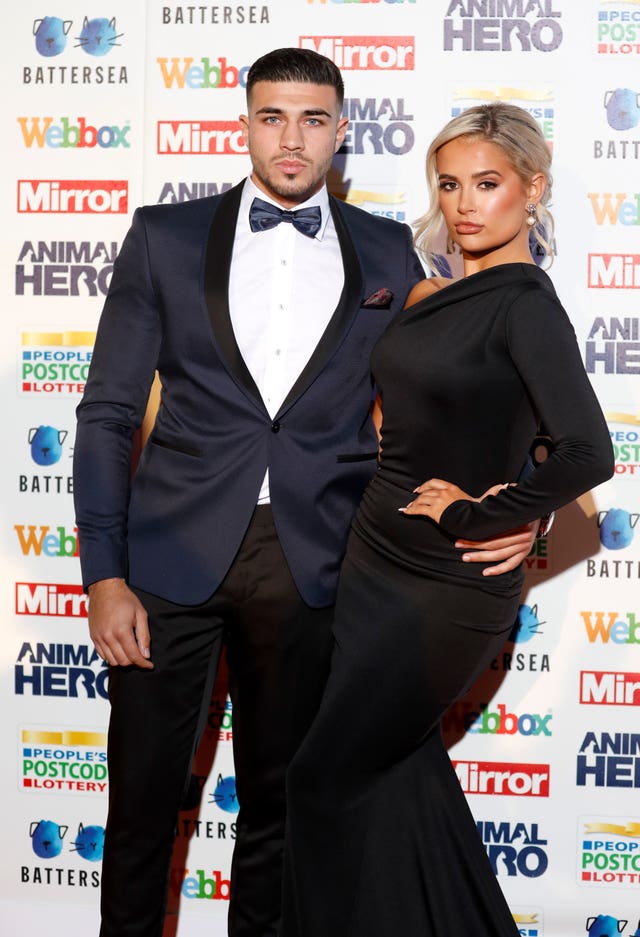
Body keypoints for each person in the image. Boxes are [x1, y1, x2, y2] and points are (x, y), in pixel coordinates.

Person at [73, 51, 538, 937]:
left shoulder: (389, 249)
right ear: (245, 123)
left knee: (282, 819)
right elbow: (105, 416)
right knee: (138, 810)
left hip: (318, 565)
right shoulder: (163, 238)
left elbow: (482, 384)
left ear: (340, 130)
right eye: (273, 117)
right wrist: (105, 575)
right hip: (166, 566)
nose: (293, 139)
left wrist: (528, 503)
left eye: (314, 120)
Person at [282, 102, 614, 937]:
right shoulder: (427, 289)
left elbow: (586, 452)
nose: (466, 204)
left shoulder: (526, 304)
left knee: (321, 778)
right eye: (450, 184)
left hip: (448, 583)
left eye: (489, 184)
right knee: (400, 775)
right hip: (372, 560)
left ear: (532, 190)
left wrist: (495, 510)